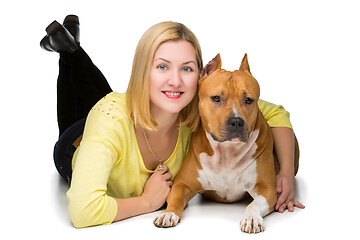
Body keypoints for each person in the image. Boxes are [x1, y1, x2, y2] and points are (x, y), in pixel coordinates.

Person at [41, 15, 304, 228]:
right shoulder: (109, 124)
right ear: (144, 70)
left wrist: (285, 174)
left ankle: (70, 46)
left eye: (186, 68)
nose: (176, 81)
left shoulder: (199, 108)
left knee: (105, 98)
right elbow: (83, 212)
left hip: (125, 111)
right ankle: (69, 52)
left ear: (199, 75)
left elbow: (275, 112)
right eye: (162, 66)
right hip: (75, 146)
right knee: (81, 116)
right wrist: (146, 202)